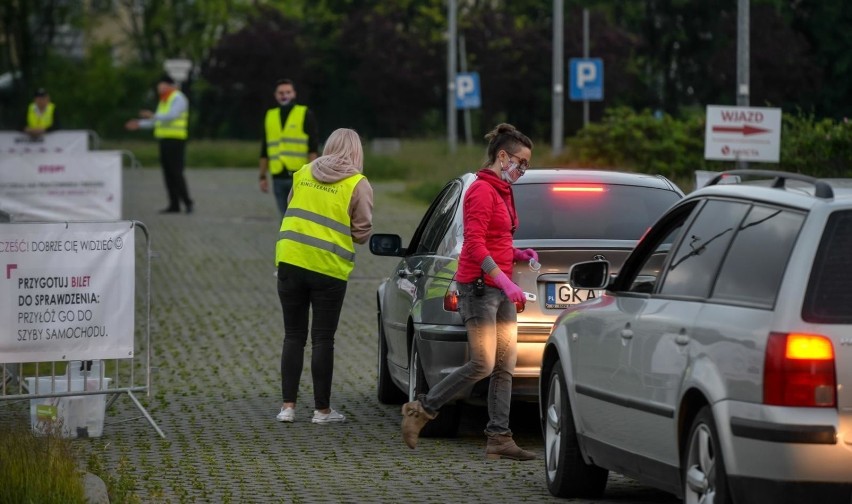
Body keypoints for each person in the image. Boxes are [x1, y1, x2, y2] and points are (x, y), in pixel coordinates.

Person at [401, 123, 538, 461]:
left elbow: (495, 239)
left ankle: (499, 438)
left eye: (526, 165)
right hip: (478, 290)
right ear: (501, 156)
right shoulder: (479, 191)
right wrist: (504, 281)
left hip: (499, 288)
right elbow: (474, 245)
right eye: (520, 162)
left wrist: (518, 256)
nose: (522, 170)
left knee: (506, 365)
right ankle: (421, 409)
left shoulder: (503, 192)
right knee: (483, 362)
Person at [274, 128, 373, 424]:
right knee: (322, 339)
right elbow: (362, 231)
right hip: (328, 267)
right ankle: (322, 411)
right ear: (357, 152)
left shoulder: (303, 171)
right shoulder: (358, 183)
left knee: (293, 336)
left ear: (328, 146)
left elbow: (292, 207)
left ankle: (288, 408)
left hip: (291, 260)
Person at [125, 74, 194, 214]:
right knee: (167, 173)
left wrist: (152, 115)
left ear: (169, 85)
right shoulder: (164, 101)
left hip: (176, 140)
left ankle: (187, 202)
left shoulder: (178, 98)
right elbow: (157, 121)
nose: (159, 88)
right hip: (164, 140)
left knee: (176, 172)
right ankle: (174, 204)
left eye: (161, 85)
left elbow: (172, 116)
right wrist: (139, 124)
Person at [258, 78, 319, 217]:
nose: (284, 95)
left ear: (294, 94)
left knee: (299, 217)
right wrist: (262, 176)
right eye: (281, 92)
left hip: (299, 176)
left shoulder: (305, 114)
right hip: (277, 176)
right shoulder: (270, 116)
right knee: (284, 217)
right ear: (275, 95)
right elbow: (264, 149)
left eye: (288, 92)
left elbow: (313, 148)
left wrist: (312, 176)